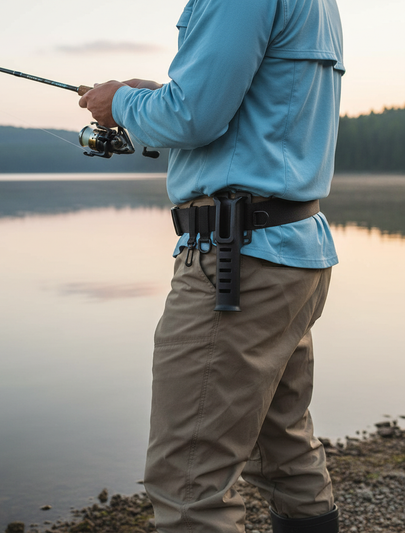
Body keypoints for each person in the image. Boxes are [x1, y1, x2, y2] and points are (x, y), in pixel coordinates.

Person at [79, 0, 344, 531]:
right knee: (283, 449)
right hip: (290, 252)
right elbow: (253, 106)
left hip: (238, 262)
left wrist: (121, 102)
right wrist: (154, 97)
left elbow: (192, 117)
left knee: (187, 480)